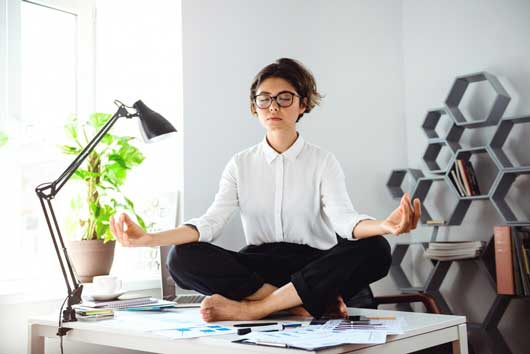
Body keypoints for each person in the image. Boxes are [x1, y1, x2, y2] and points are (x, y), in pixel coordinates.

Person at [110, 58, 421, 322]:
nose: (273, 106)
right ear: (254, 107)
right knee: (180, 258)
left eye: (284, 98)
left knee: (376, 248)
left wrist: (385, 225)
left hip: (312, 265)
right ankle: (293, 304)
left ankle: (254, 310)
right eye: (264, 98)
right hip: (259, 269)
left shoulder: (323, 161)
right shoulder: (240, 163)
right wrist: (150, 239)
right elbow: (210, 223)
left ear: (302, 104)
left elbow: (344, 221)